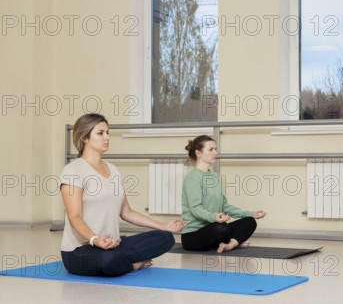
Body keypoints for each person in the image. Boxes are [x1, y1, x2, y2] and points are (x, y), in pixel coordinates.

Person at [60, 113, 186, 276]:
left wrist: (163, 226)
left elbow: (127, 212)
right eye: (100, 133)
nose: (107, 137)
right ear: (84, 138)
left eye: (107, 132)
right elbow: (74, 216)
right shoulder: (73, 171)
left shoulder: (113, 170)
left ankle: (120, 261)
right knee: (108, 260)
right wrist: (95, 240)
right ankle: (134, 265)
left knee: (166, 238)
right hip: (79, 250)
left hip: (113, 244)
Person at [181, 135, 266, 253]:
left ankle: (230, 245)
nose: (215, 152)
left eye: (215, 149)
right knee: (221, 228)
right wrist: (214, 217)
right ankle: (235, 242)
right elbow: (195, 209)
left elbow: (224, 205)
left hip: (214, 228)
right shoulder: (193, 178)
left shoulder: (214, 176)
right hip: (193, 236)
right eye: (211, 149)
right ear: (198, 153)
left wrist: (249, 213)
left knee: (250, 221)